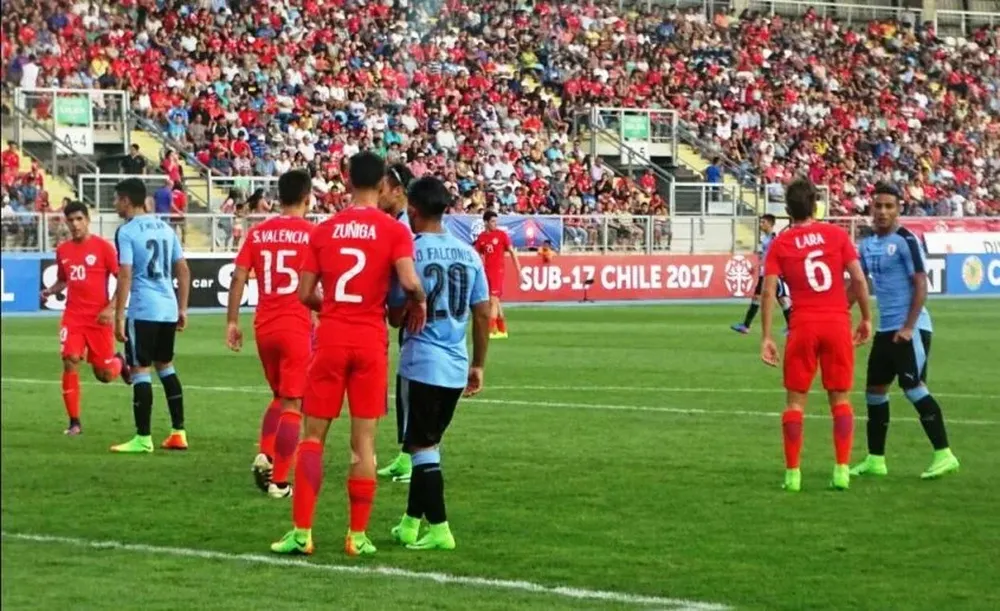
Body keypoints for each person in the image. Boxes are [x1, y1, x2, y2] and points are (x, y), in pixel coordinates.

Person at [270, 152, 427, 557]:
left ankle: (302, 532)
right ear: (381, 185)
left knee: (313, 439)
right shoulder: (393, 231)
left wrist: (335, 307)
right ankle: (357, 536)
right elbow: (409, 282)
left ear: (345, 180)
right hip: (370, 341)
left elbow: (305, 294)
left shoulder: (324, 230)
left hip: (332, 339)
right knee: (364, 445)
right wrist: (419, 302)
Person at [386, 176, 491, 551]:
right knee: (427, 444)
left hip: (422, 362)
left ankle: (441, 528)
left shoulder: (410, 251)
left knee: (420, 447)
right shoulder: (468, 252)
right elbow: (482, 314)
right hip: (456, 363)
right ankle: (410, 524)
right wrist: (478, 364)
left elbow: (397, 316)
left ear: (412, 210)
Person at [759, 179, 872, 492]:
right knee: (840, 398)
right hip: (837, 322)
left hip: (803, 325)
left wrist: (766, 336)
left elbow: (768, 291)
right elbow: (859, 279)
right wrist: (865, 317)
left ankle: (793, 476)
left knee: (795, 402)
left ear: (787, 210)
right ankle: (841, 471)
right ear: (815, 206)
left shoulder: (780, 244)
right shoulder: (836, 234)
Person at [851, 183, 960, 480]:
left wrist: (909, 327)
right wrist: (836, 314)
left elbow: (921, 284)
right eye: (878, 206)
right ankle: (876, 460)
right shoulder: (868, 245)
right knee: (874, 392)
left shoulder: (905, 240)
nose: (883, 211)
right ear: (871, 209)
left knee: (914, 389)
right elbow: (857, 286)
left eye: (889, 206)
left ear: (899, 209)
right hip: (886, 331)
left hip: (909, 329)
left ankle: (944, 454)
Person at [226, 169, 316, 498]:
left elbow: (238, 278)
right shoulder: (312, 234)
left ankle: (264, 453)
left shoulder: (259, 233)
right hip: (296, 325)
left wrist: (232, 322)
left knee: (280, 396)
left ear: (279, 198)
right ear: (308, 198)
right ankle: (279, 482)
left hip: (264, 325)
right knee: (294, 403)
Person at [109, 178, 191, 453]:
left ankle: (143, 438)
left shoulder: (127, 231)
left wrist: (119, 315)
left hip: (144, 308)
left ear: (127, 200)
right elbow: (183, 269)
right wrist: (182, 308)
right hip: (168, 308)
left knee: (139, 370)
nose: (114, 204)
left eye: (116, 199)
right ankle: (178, 432)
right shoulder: (166, 228)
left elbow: (126, 273)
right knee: (166, 366)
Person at [40, 202, 129, 435]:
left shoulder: (103, 248)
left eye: (79, 219)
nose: (75, 224)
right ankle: (74, 422)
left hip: (99, 318)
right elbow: (63, 279)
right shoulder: (63, 250)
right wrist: (50, 290)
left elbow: (122, 280)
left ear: (87, 220)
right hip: (73, 317)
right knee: (70, 359)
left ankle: (119, 362)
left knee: (105, 375)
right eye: (71, 220)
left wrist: (110, 308)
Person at [376, 162, 418, 484]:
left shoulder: (403, 228)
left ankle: (416, 457)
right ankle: (407, 455)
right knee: (406, 386)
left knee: (414, 387)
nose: (378, 196)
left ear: (398, 191)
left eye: (382, 189)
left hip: (413, 314)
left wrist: (398, 310)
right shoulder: (402, 224)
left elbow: (406, 277)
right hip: (410, 312)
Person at [732, 214, 792, 334]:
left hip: (774, 274)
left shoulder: (774, 238)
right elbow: (765, 256)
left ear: (770, 224)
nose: (760, 224)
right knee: (758, 298)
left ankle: (792, 327)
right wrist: (756, 266)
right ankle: (746, 325)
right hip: (764, 273)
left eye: (763, 222)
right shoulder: (764, 238)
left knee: (782, 300)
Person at [474, 211, 521, 339]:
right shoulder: (482, 237)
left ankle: (491, 330)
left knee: (492, 301)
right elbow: (476, 253)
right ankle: (502, 329)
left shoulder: (501, 235)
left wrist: (518, 269)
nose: (496, 224)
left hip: (497, 272)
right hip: (486, 271)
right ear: (486, 223)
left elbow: (511, 251)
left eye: (496, 221)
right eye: (493, 221)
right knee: (495, 300)